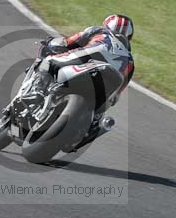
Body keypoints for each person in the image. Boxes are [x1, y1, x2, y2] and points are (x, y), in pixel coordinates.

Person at [35, 14, 135, 149]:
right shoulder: (130, 61)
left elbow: (68, 42)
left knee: (49, 61)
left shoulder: (98, 31)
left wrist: (51, 43)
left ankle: (38, 91)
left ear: (106, 25)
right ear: (129, 37)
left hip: (84, 62)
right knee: (99, 115)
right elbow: (116, 95)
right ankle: (88, 130)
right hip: (106, 84)